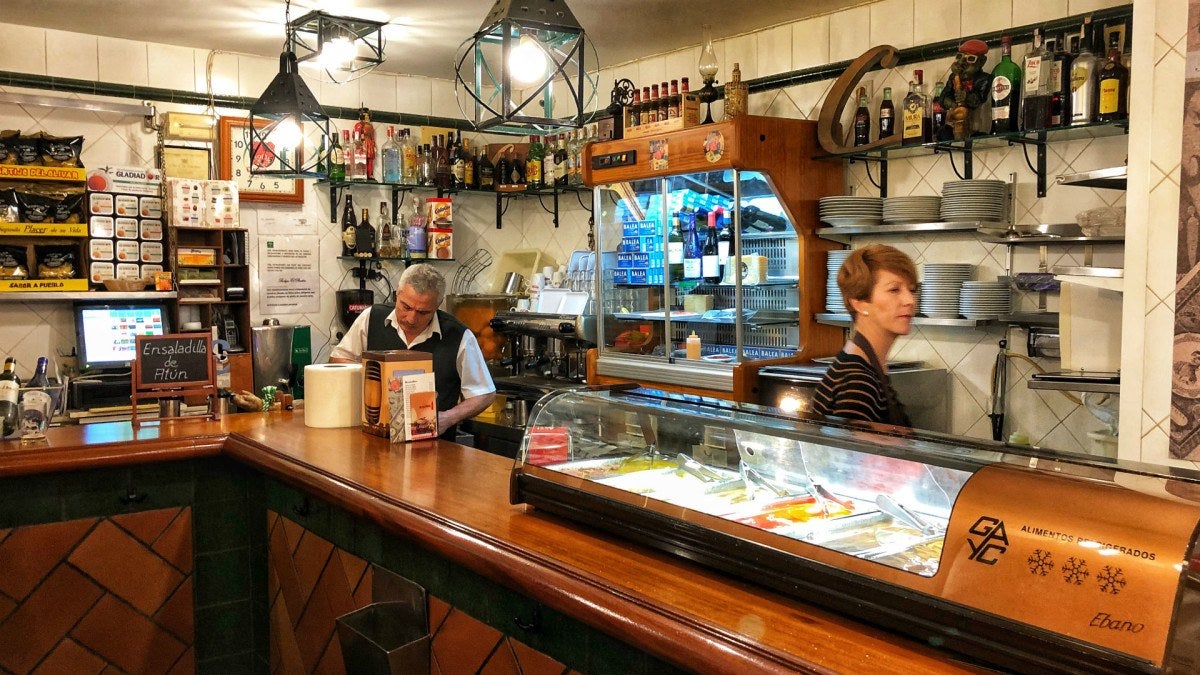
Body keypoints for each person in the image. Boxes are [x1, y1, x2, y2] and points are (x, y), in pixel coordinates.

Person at [330, 263, 495, 439]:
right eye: (406, 307)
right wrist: (373, 376)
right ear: (397, 294)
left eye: (423, 312)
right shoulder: (371, 318)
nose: (411, 318)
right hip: (372, 438)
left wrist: (448, 418)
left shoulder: (459, 335)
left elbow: (484, 393)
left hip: (434, 446)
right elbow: (338, 360)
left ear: (438, 305)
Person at [813, 244, 917, 427]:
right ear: (860, 304)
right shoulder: (857, 382)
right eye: (894, 290)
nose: (910, 300)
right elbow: (850, 455)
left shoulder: (866, 366)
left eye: (912, 289)